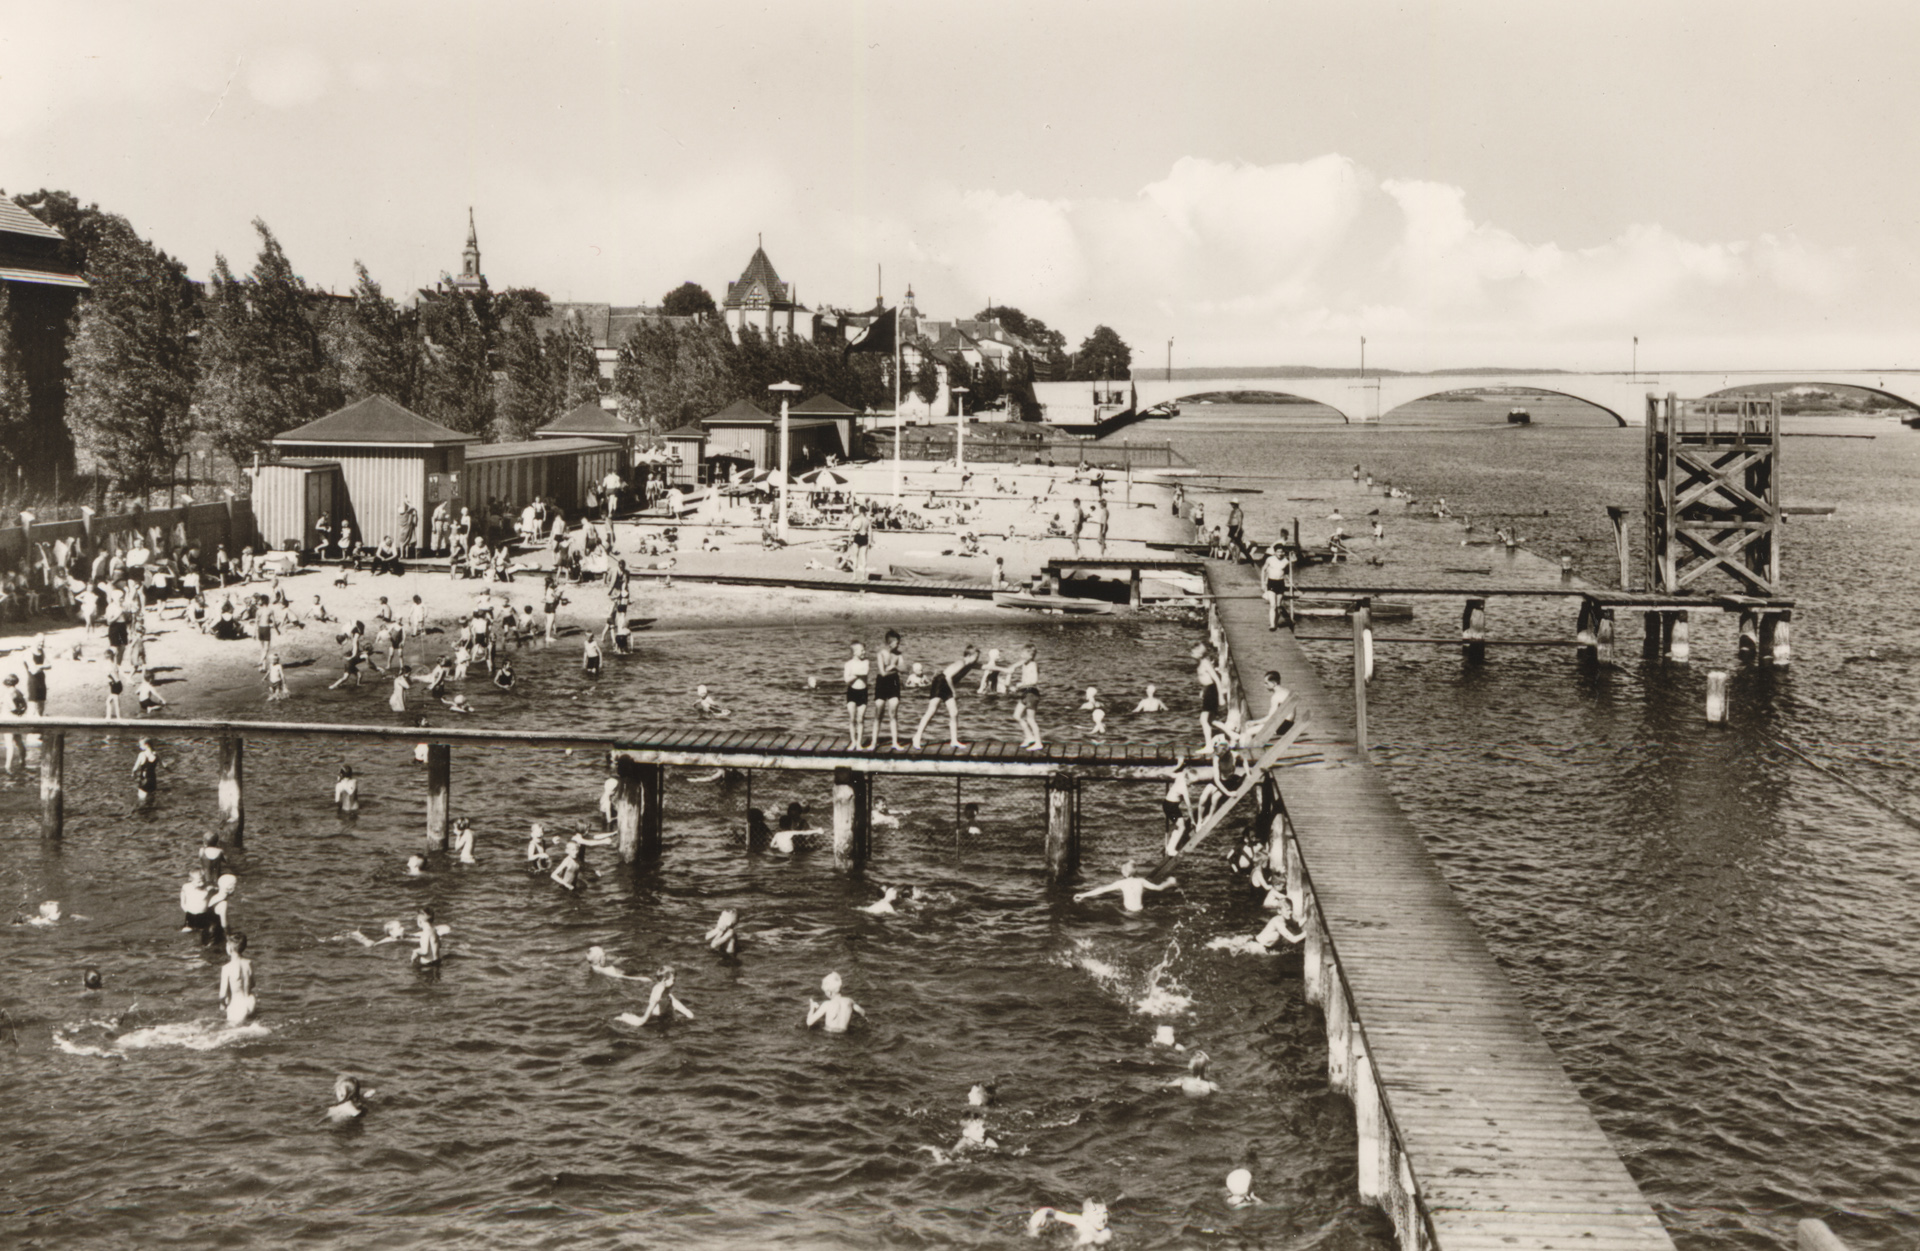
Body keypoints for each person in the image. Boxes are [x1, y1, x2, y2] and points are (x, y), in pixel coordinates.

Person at [910, 645, 980, 750]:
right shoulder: (961, 663)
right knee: (931, 711)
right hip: (940, 682)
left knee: (954, 713)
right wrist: (954, 692)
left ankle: (954, 740)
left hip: (946, 684)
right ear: (969, 655)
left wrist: (1005, 669)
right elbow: (948, 677)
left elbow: (987, 666)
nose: (977, 660)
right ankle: (917, 737)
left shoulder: (969, 664)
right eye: (976, 657)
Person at [1073, 861, 1177, 912]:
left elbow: (1102, 890)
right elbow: (1159, 888)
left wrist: (1083, 895)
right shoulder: (1141, 881)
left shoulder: (1121, 883)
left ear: (1124, 874)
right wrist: (1170, 882)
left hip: (1129, 913)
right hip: (1140, 910)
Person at [620, 967, 694, 1028]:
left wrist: (686, 1012)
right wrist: (642, 1020)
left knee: (671, 1003)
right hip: (655, 1016)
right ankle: (624, 1018)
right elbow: (652, 1004)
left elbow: (672, 1000)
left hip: (664, 1013)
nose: (675, 982)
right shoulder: (659, 990)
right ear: (665, 980)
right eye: (673, 980)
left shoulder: (665, 989)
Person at [869, 629, 904, 750]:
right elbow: (882, 673)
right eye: (897, 643)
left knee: (893, 713)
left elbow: (905, 669)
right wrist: (894, 667)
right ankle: (873, 743)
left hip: (894, 682)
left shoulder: (898, 654)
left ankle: (895, 742)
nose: (898, 645)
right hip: (882, 683)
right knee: (879, 713)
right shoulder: (881, 654)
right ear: (891, 642)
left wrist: (895, 667)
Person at [1027, 1201, 1110, 1246]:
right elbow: (1058, 1214)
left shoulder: (1106, 1232)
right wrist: (1044, 1211)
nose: (1102, 1218)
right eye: (1097, 1214)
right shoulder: (1080, 1221)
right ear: (1086, 1216)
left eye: (1105, 1213)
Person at [219, 932, 256, 1025]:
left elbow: (222, 995)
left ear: (230, 948)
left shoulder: (227, 968)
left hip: (236, 1005)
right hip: (250, 1002)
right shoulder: (249, 963)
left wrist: (223, 1005)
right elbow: (253, 984)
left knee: (232, 1030)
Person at [1191, 643, 1221, 746]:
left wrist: (1221, 697)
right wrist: (1203, 690)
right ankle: (1233, 735)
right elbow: (1205, 679)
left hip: (1212, 690)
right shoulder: (1201, 662)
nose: (1191, 654)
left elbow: (1216, 679)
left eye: (1193, 652)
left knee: (1203, 720)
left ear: (1200, 654)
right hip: (1208, 689)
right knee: (1211, 719)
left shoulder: (1205, 663)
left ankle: (1209, 746)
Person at [843, 641, 870, 746]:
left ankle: (859, 742)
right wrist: (857, 674)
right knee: (852, 718)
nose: (864, 652)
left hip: (863, 691)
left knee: (860, 718)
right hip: (852, 692)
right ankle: (853, 741)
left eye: (864, 650)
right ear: (854, 652)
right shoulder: (848, 664)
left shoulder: (866, 662)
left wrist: (853, 674)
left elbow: (865, 672)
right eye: (862, 650)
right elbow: (846, 680)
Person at [1260, 541, 1292, 631]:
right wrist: (1263, 583)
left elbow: (1286, 574)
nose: (1280, 554)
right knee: (1273, 605)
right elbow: (1263, 569)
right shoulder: (1270, 559)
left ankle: (1276, 622)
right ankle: (1272, 625)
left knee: (1278, 606)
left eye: (1282, 552)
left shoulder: (1286, 561)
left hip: (1280, 583)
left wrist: (1289, 581)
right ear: (1275, 552)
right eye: (1278, 551)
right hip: (1271, 583)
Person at [132, 737, 159, 804]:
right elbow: (165, 766)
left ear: (146, 744)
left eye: (140, 744)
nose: (139, 746)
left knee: (141, 801)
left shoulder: (141, 754)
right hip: (153, 781)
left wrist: (133, 775)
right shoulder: (156, 754)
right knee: (151, 801)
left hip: (144, 780)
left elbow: (135, 769)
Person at [849, 504, 871, 578]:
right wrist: (870, 541)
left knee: (855, 557)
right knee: (863, 557)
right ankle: (863, 576)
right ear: (864, 512)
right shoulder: (867, 521)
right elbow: (870, 532)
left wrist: (849, 539)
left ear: (859, 511)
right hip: (864, 537)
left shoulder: (855, 519)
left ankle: (854, 575)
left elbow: (851, 530)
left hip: (857, 537)